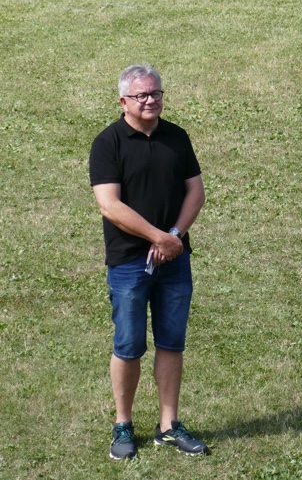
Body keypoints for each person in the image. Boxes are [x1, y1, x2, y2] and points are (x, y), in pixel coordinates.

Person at [89, 64, 209, 460]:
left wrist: (173, 236)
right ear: (123, 101)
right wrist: (158, 237)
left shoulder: (176, 137)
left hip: (173, 260)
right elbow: (109, 205)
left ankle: (168, 426)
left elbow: (196, 192)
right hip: (128, 262)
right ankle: (123, 425)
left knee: (172, 342)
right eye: (141, 95)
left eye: (156, 93)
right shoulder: (108, 143)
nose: (151, 100)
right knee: (128, 345)